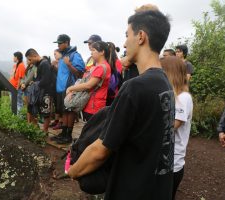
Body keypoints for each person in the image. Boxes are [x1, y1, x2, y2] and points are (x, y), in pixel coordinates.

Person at [68, 9, 174, 200]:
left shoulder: (135, 87)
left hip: (131, 190)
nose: (124, 43)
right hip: (157, 189)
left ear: (140, 37)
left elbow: (100, 150)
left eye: (127, 35)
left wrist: (73, 171)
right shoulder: (164, 83)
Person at [161, 56, 193, 199]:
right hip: (164, 161)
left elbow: (171, 126)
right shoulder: (173, 96)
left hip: (172, 164)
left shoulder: (183, 97)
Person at [51, 34, 85, 144]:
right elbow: (62, 72)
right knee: (64, 111)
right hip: (61, 88)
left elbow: (80, 73)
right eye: (58, 43)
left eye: (60, 43)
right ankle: (64, 133)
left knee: (70, 111)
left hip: (70, 87)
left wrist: (69, 64)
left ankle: (68, 135)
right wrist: (55, 66)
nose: (59, 45)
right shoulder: (63, 56)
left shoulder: (75, 55)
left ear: (66, 42)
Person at [66, 41, 112, 121]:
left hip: (94, 106)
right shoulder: (104, 66)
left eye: (93, 50)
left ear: (102, 52)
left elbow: (88, 85)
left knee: (91, 131)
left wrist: (71, 88)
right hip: (96, 104)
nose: (91, 53)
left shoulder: (101, 68)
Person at [24, 48, 54, 133]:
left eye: (30, 59)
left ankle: (45, 131)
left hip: (46, 92)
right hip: (40, 91)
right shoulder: (38, 64)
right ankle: (36, 127)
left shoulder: (44, 64)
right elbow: (39, 78)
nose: (30, 61)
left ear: (35, 56)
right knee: (33, 109)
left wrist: (35, 84)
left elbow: (46, 79)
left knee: (46, 113)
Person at [49, 49, 63, 130]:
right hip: (55, 86)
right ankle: (56, 120)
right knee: (56, 104)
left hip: (61, 86)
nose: (54, 55)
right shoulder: (55, 62)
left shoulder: (62, 62)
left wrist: (54, 66)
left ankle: (61, 122)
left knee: (60, 105)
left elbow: (61, 74)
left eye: (56, 54)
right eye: (54, 54)